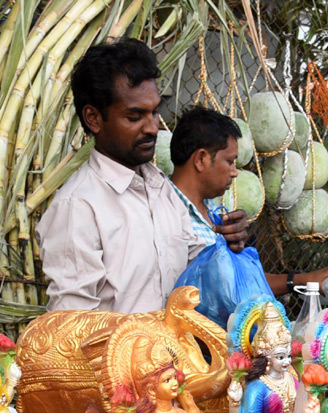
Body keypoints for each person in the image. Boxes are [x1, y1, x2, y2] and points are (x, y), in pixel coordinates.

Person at [36, 39, 248, 313]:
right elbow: (74, 326)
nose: (152, 127)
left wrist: (230, 242)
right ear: (94, 119)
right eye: (135, 116)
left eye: (155, 111)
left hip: (178, 353)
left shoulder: (160, 187)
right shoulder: (78, 207)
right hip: (121, 356)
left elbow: (197, 267)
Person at [168, 106, 328, 302]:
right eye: (230, 162)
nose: (234, 172)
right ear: (201, 159)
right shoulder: (166, 213)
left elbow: (239, 282)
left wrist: (300, 280)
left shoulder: (214, 210)